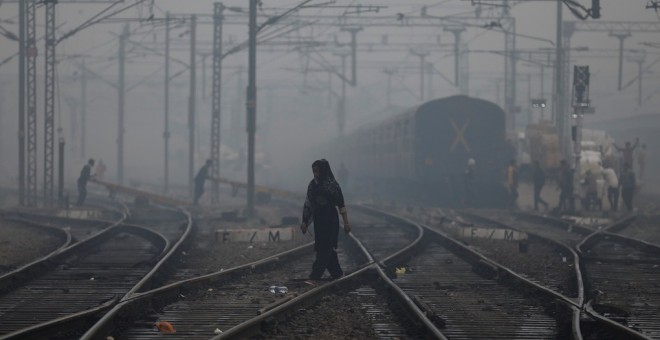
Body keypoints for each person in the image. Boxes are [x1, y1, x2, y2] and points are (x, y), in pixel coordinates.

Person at [300, 159, 351, 281]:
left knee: (327, 247)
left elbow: (341, 205)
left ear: (323, 171)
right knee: (322, 246)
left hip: (331, 220)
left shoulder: (333, 185)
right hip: (319, 220)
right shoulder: (312, 185)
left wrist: (346, 223)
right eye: (313, 171)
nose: (315, 174)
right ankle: (337, 273)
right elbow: (308, 204)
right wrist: (305, 222)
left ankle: (315, 274)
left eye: (317, 171)